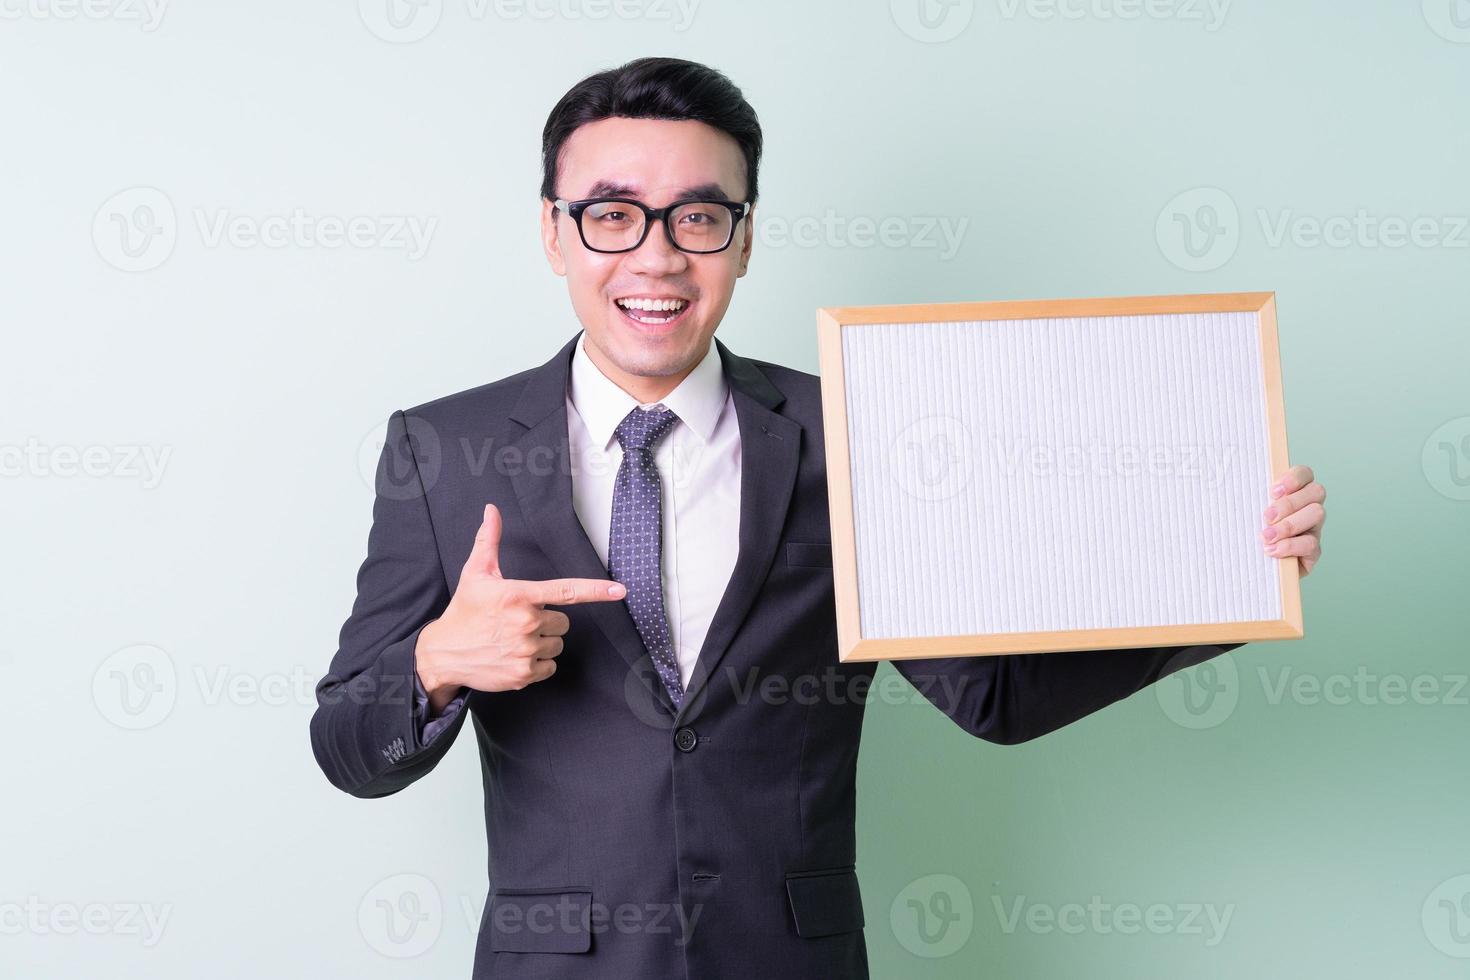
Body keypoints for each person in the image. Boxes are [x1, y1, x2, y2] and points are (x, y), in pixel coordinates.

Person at [309, 56, 1327, 980]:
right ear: (553, 230)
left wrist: (1233, 583)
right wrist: (434, 661)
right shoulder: (441, 448)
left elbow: (994, 695)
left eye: (699, 217)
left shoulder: (857, 431)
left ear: (743, 238)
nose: (656, 257)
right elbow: (347, 746)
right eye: (611, 215)